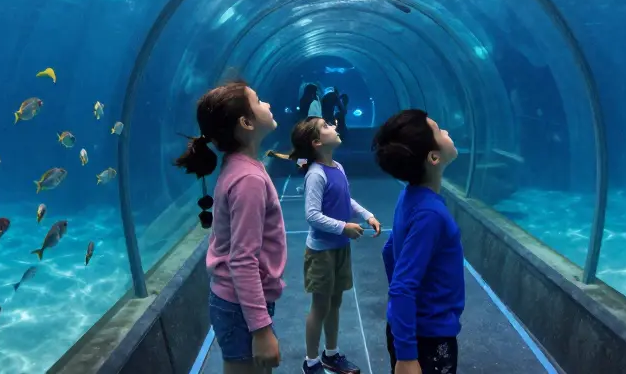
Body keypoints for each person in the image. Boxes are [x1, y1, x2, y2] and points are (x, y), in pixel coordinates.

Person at [174, 81, 286, 373]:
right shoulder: (248, 179)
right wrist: (261, 330)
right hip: (240, 306)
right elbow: (242, 259)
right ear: (246, 122)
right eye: (259, 101)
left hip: (238, 302)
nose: (268, 105)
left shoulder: (239, 165)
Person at [372, 110, 464, 374]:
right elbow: (402, 286)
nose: (446, 131)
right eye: (437, 130)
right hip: (429, 338)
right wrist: (407, 356)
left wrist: (402, 316)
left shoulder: (409, 197)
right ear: (433, 157)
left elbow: (390, 252)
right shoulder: (431, 213)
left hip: (410, 329)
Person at [288, 117, 381, 373]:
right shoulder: (316, 174)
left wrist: (367, 215)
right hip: (321, 253)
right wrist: (344, 227)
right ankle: (311, 361)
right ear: (317, 142)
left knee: (335, 303)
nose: (335, 127)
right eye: (327, 127)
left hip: (340, 248)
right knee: (320, 307)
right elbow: (312, 215)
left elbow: (347, 199)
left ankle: (331, 353)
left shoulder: (337, 167)